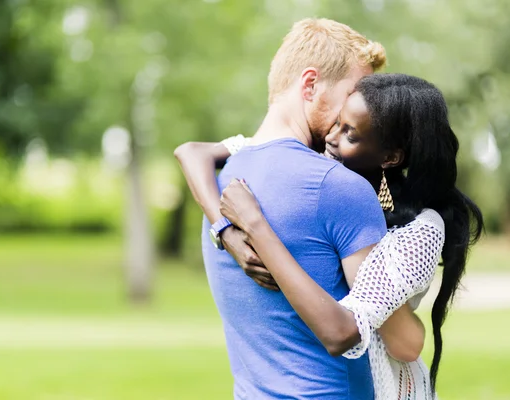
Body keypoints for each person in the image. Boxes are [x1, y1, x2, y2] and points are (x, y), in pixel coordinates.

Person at [176, 74, 484, 399]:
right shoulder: (318, 162)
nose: (330, 138)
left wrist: (255, 226)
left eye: (349, 132)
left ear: (390, 157)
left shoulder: (420, 228)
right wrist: (224, 231)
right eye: (336, 123)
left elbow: (398, 343)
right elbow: (191, 152)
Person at [175, 18, 390, 399]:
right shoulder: (341, 187)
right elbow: (396, 336)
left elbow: (192, 151)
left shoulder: (220, 178)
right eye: (355, 93)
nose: (364, 111)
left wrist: (224, 228)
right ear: (310, 85)